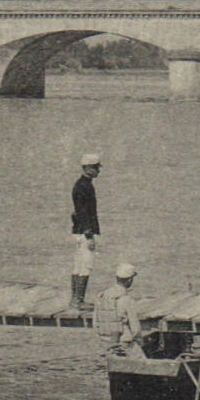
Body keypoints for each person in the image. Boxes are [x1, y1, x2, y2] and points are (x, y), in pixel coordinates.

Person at [92, 262, 146, 359]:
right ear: (130, 280)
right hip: (124, 344)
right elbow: (135, 329)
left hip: (106, 343)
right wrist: (140, 343)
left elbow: (95, 323)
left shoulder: (101, 296)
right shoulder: (126, 299)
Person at [69, 153, 101, 311]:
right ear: (88, 168)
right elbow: (83, 212)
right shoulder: (84, 186)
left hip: (77, 231)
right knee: (86, 266)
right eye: (96, 168)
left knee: (78, 265)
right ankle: (79, 300)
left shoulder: (80, 185)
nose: (98, 171)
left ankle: (74, 299)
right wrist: (90, 235)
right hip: (85, 232)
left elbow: (76, 213)